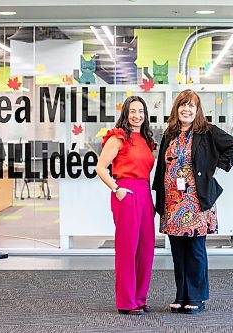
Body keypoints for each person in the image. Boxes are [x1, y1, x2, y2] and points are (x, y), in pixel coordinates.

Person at [152, 89, 233, 314]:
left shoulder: (207, 132)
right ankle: (181, 295)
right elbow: (162, 168)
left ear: (197, 109)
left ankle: (196, 297)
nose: (187, 109)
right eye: (183, 105)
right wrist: (159, 199)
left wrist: (213, 167)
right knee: (177, 251)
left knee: (195, 249)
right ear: (176, 109)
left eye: (191, 105)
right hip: (173, 202)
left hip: (196, 201)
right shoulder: (169, 134)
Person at [96, 96, 156, 315]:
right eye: (132, 111)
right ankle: (126, 302)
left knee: (146, 248)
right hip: (126, 192)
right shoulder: (118, 137)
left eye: (141, 111)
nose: (137, 116)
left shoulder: (147, 140)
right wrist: (116, 189)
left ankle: (140, 298)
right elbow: (101, 167)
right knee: (127, 248)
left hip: (145, 193)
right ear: (125, 113)